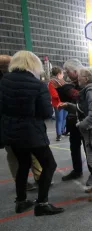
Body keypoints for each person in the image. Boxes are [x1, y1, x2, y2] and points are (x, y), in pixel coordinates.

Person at [0, 50, 64, 216]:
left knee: (23, 165)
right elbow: (45, 112)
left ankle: (21, 201)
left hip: (12, 131)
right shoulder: (38, 85)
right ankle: (42, 203)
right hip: (32, 133)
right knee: (50, 164)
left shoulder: (4, 81)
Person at [59, 67, 92, 201]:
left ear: (86, 79)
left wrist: (81, 125)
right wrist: (69, 106)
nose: (77, 79)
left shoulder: (91, 91)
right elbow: (85, 109)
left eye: (80, 76)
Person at [1, 54, 42, 190]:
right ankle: (25, 182)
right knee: (18, 155)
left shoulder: (11, 81)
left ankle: (26, 182)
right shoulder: (15, 81)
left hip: (11, 125)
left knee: (18, 155)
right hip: (17, 125)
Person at [61, 59, 92, 186]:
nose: (66, 74)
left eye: (68, 72)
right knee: (74, 147)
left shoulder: (88, 82)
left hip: (86, 121)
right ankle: (77, 170)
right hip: (73, 120)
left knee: (89, 149)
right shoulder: (71, 84)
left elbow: (83, 99)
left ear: (75, 71)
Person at [48, 66, 68, 141]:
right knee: (59, 119)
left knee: (64, 118)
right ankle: (58, 134)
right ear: (59, 74)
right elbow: (54, 95)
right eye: (62, 73)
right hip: (58, 104)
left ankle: (63, 131)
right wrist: (63, 97)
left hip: (65, 103)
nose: (63, 75)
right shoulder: (51, 83)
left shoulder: (63, 82)